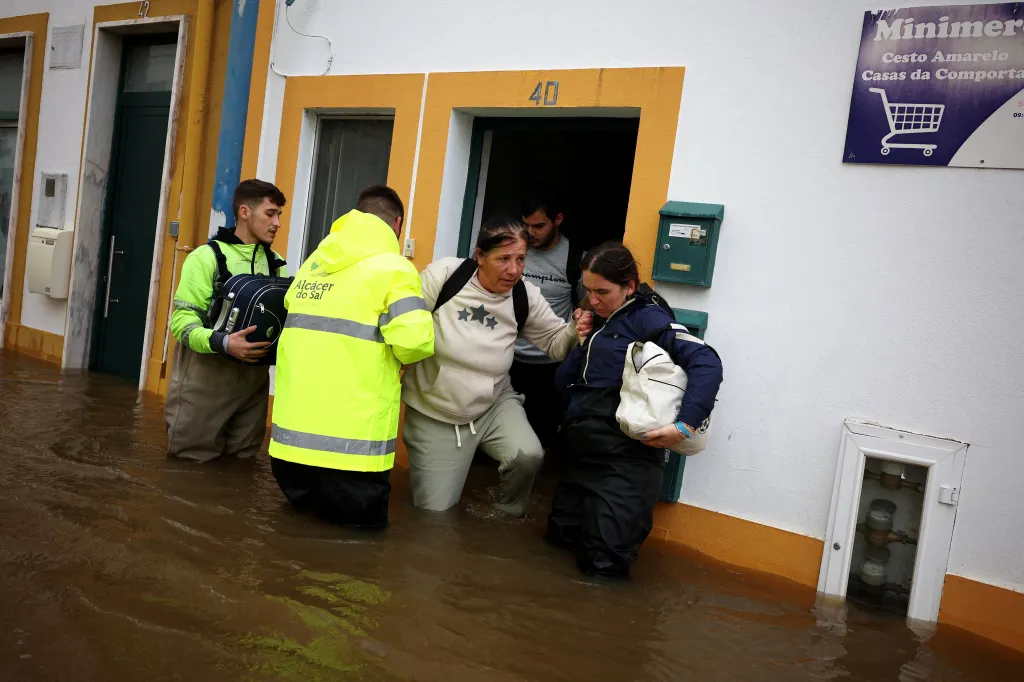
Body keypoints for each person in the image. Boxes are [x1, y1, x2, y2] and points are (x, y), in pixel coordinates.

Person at [546, 241, 723, 579]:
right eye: (588, 291)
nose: (593, 300)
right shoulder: (600, 321)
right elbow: (566, 382)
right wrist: (582, 343)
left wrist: (685, 426)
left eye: (603, 291)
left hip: (625, 464)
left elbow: (706, 361)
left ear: (629, 287)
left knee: (603, 569)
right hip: (582, 459)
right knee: (558, 545)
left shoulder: (647, 318)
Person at [401, 215, 592, 517]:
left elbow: (556, 344)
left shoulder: (524, 295)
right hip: (435, 410)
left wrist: (574, 328)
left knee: (528, 455)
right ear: (480, 256)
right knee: (434, 518)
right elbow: (403, 325)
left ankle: (503, 513)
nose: (514, 269)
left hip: (494, 403)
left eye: (520, 259)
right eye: (503, 259)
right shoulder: (446, 276)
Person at [269, 186, 434, 528]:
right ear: (397, 224)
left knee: (294, 546)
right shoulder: (395, 269)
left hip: (288, 451)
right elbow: (415, 343)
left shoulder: (314, 264)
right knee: (353, 569)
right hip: (352, 456)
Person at [166, 179, 287, 462]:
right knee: (189, 467)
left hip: (254, 382)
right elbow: (181, 324)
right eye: (270, 214)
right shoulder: (206, 258)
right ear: (244, 212)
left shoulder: (276, 262)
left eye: (279, 215)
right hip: (205, 377)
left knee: (242, 464)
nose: (277, 223)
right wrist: (224, 343)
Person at [510, 190, 584, 450]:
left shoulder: (575, 259)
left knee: (541, 443)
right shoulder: (512, 251)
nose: (531, 232)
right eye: (526, 225)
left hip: (550, 366)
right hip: (506, 360)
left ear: (558, 219)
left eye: (539, 226)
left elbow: (587, 307)